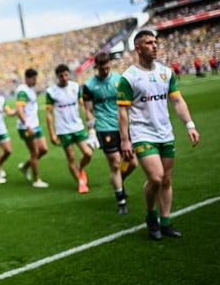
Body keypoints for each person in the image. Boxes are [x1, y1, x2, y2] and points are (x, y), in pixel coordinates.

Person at [117, 29, 200, 240]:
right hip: (142, 133)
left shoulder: (166, 72)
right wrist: (125, 140)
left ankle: (166, 221)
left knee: (166, 180)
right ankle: (151, 215)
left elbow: (177, 101)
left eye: (155, 42)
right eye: (149, 43)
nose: (154, 46)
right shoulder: (129, 77)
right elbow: (123, 111)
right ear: (138, 48)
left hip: (165, 132)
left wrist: (189, 124)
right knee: (156, 177)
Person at [83, 52, 138, 214]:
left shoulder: (118, 80)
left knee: (132, 163)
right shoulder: (89, 85)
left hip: (122, 125)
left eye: (108, 67)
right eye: (102, 69)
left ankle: (118, 180)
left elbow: (128, 102)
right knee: (115, 162)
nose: (106, 71)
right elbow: (87, 109)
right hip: (104, 126)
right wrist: (91, 130)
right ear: (96, 67)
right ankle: (121, 200)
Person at [45, 64, 93, 193]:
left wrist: (90, 122)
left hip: (77, 126)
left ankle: (80, 168)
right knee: (71, 157)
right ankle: (81, 182)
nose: (64, 78)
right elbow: (48, 114)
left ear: (69, 74)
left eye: (66, 75)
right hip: (63, 129)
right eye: (61, 76)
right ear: (57, 76)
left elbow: (83, 105)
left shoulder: (75, 87)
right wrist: (52, 134)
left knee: (88, 153)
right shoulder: (51, 92)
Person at [15, 68, 49, 188]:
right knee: (34, 153)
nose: (35, 80)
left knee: (44, 149)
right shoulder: (22, 91)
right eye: (34, 78)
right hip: (27, 127)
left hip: (35, 125)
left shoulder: (30, 90)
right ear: (28, 78)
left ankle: (25, 166)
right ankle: (36, 180)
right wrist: (27, 125)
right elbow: (19, 109)